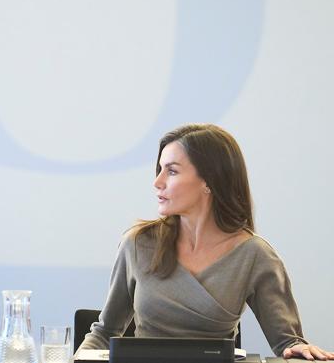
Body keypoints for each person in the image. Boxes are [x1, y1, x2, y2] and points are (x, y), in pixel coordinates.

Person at [79, 124, 333, 360]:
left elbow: (287, 342)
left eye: (172, 171)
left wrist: (299, 349)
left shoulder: (255, 255)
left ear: (209, 181)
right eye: (160, 170)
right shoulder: (138, 243)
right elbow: (105, 332)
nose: (157, 183)